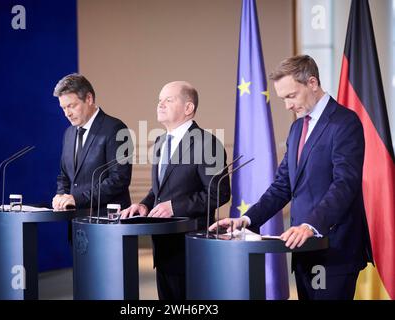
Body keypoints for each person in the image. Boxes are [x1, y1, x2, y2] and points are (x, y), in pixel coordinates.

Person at [210, 55, 373, 300]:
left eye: (291, 96)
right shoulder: (297, 128)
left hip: (334, 248)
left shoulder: (344, 123)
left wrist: (310, 225)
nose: (287, 105)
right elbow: (282, 186)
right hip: (303, 248)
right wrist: (245, 220)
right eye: (282, 98)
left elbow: (345, 184)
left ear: (312, 83)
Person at [121, 81, 231, 300]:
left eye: (168, 100)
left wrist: (175, 206)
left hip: (190, 246)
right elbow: (159, 190)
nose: (160, 105)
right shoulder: (161, 141)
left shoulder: (206, 143)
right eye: (159, 100)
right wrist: (144, 204)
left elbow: (219, 193)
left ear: (188, 108)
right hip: (163, 247)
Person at [52, 73, 132, 217]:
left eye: (71, 106)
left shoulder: (116, 128)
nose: (67, 113)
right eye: (63, 108)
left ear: (89, 98)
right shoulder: (69, 133)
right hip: (76, 220)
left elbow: (119, 179)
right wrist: (61, 196)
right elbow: (65, 175)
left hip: (107, 221)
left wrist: (78, 199)